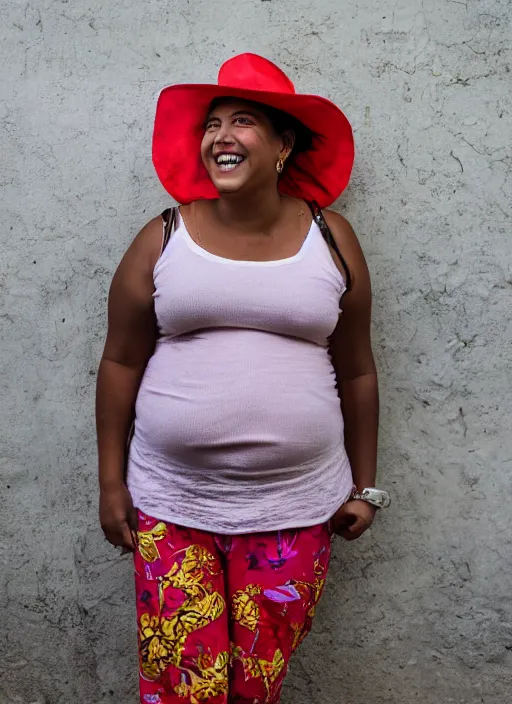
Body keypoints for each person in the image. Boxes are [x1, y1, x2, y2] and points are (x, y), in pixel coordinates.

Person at [96, 53, 389, 704]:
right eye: (212, 123)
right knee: (185, 689)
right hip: (172, 504)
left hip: (296, 509)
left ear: (285, 147)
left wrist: (368, 487)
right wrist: (111, 484)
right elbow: (119, 361)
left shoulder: (331, 238)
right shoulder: (164, 237)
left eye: (244, 121)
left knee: (255, 688)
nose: (221, 136)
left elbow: (359, 371)